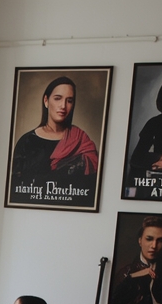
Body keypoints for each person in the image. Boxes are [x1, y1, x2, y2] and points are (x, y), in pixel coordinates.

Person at [8, 75, 99, 207]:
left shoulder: (81, 139)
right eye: (57, 98)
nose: (63, 106)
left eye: (69, 101)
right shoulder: (27, 141)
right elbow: (16, 189)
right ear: (46, 100)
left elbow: (90, 188)